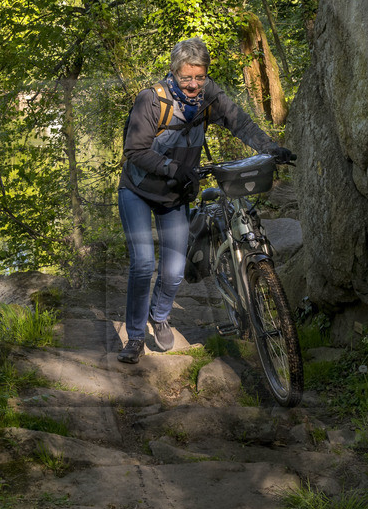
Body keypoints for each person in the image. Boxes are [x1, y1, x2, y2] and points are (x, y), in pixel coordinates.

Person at [116, 37, 293, 364]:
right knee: (142, 265)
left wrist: (269, 147)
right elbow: (134, 151)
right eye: (187, 77)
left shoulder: (210, 96)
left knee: (173, 272)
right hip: (137, 192)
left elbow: (240, 122)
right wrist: (173, 167)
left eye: (200, 76)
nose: (195, 84)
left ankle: (160, 314)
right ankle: (136, 337)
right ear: (174, 72)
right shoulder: (151, 100)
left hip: (174, 195)